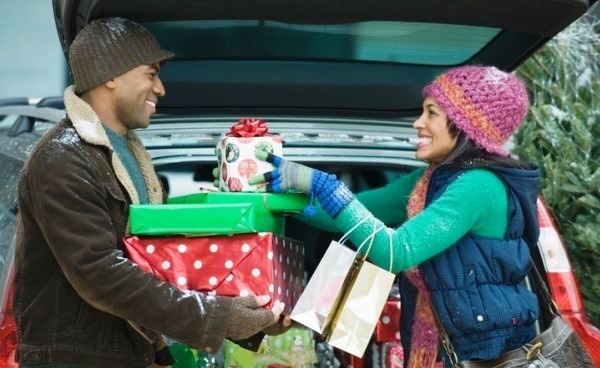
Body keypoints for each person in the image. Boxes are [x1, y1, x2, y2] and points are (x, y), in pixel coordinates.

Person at [13, 17, 288, 368]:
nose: (161, 89)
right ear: (110, 76)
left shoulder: (130, 157)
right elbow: (101, 274)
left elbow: (162, 266)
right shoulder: (62, 159)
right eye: (151, 73)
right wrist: (219, 318)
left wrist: (253, 317)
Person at [249, 65, 541, 366]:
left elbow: (397, 252)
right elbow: (349, 212)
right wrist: (261, 193)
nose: (418, 122)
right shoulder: (430, 180)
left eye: (431, 113)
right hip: (448, 348)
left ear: (465, 124)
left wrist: (328, 188)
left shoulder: (478, 185)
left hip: (485, 354)